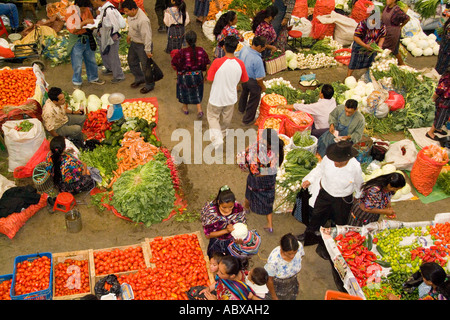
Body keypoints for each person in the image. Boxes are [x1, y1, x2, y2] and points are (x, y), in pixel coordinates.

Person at [298, 141, 364, 250]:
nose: (335, 163)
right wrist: (310, 179)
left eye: (339, 161)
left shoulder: (355, 167)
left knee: (339, 222)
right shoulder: (328, 159)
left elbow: (359, 185)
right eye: (334, 160)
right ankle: (309, 236)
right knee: (316, 216)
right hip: (325, 194)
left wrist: (357, 197)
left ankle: (331, 245)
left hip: (342, 199)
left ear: (347, 159)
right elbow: (319, 169)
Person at [237, 128, 284, 233]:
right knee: (268, 198)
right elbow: (273, 168)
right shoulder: (277, 149)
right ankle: (270, 224)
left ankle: (246, 207)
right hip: (269, 179)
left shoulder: (257, 149)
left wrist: (243, 158)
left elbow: (254, 171)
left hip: (257, 180)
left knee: (250, 191)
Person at [206, 36, 249, 149]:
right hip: (231, 98)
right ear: (236, 48)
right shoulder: (240, 64)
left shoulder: (217, 62)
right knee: (226, 119)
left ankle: (218, 138)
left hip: (216, 97)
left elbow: (209, 79)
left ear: (224, 47)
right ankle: (222, 134)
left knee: (212, 117)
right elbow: (244, 80)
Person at [65, 0, 105, 89]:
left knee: (91, 59)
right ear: (76, 5)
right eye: (82, 8)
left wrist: (93, 24)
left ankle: (93, 78)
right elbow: (73, 29)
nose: (84, 10)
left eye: (85, 8)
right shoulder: (70, 12)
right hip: (77, 40)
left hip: (87, 37)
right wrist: (84, 22)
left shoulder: (87, 10)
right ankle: (77, 81)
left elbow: (91, 22)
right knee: (77, 63)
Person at [171, 30, 211, 118]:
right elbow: (207, 63)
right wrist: (206, 75)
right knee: (197, 91)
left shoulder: (181, 52)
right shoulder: (201, 50)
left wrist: (179, 72)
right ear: (196, 40)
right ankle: (199, 110)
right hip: (197, 76)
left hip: (184, 76)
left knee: (184, 91)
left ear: (186, 41)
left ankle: (185, 108)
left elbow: (174, 63)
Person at [201, 185, 247, 258]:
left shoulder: (239, 209)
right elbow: (208, 235)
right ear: (219, 202)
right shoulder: (211, 211)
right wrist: (226, 230)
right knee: (215, 259)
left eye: (230, 207)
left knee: (229, 261)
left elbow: (242, 226)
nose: (227, 210)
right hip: (216, 241)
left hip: (231, 242)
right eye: (224, 207)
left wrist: (239, 239)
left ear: (234, 203)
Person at [122, 0, 155, 94]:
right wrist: (129, 35)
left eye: (127, 11)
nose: (126, 13)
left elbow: (147, 36)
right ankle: (140, 78)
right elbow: (132, 27)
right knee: (131, 61)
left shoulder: (143, 20)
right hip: (134, 42)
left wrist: (148, 50)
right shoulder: (131, 15)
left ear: (133, 10)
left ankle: (149, 84)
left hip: (142, 45)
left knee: (146, 66)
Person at [90, 0, 127, 83]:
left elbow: (116, 25)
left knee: (113, 56)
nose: (92, 3)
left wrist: (110, 37)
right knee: (104, 52)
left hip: (111, 36)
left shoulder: (109, 10)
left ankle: (119, 76)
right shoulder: (103, 9)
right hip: (105, 34)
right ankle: (109, 68)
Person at [264, 233, 305, 300]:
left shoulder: (299, 246)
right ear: (282, 248)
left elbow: (301, 256)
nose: (292, 256)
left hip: (292, 280)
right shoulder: (273, 261)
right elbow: (269, 280)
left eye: (295, 252)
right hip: (279, 284)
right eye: (289, 254)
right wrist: (274, 296)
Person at [237, 35, 267, 126]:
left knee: (244, 92)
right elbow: (259, 79)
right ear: (258, 47)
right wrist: (263, 87)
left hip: (243, 76)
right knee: (254, 99)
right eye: (263, 47)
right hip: (252, 81)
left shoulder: (244, 49)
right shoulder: (257, 59)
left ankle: (241, 108)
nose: (264, 48)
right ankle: (247, 120)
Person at [347, 14, 386, 78]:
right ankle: (348, 76)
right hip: (360, 45)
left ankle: (367, 75)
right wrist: (365, 45)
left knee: (370, 62)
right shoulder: (363, 24)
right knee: (354, 62)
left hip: (373, 47)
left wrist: (380, 45)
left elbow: (383, 36)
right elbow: (356, 37)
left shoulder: (381, 25)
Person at [381, 0, 410, 66]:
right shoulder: (386, 7)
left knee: (394, 50)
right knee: (386, 48)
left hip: (393, 33)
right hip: (385, 31)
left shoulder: (397, 10)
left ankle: (402, 64)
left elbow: (407, 18)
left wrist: (401, 26)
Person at [426, 67, 450, 141]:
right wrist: (433, 98)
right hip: (444, 100)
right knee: (440, 116)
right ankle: (430, 132)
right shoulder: (447, 78)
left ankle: (438, 128)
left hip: (448, 100)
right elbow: (439, 90)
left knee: (445, 115)